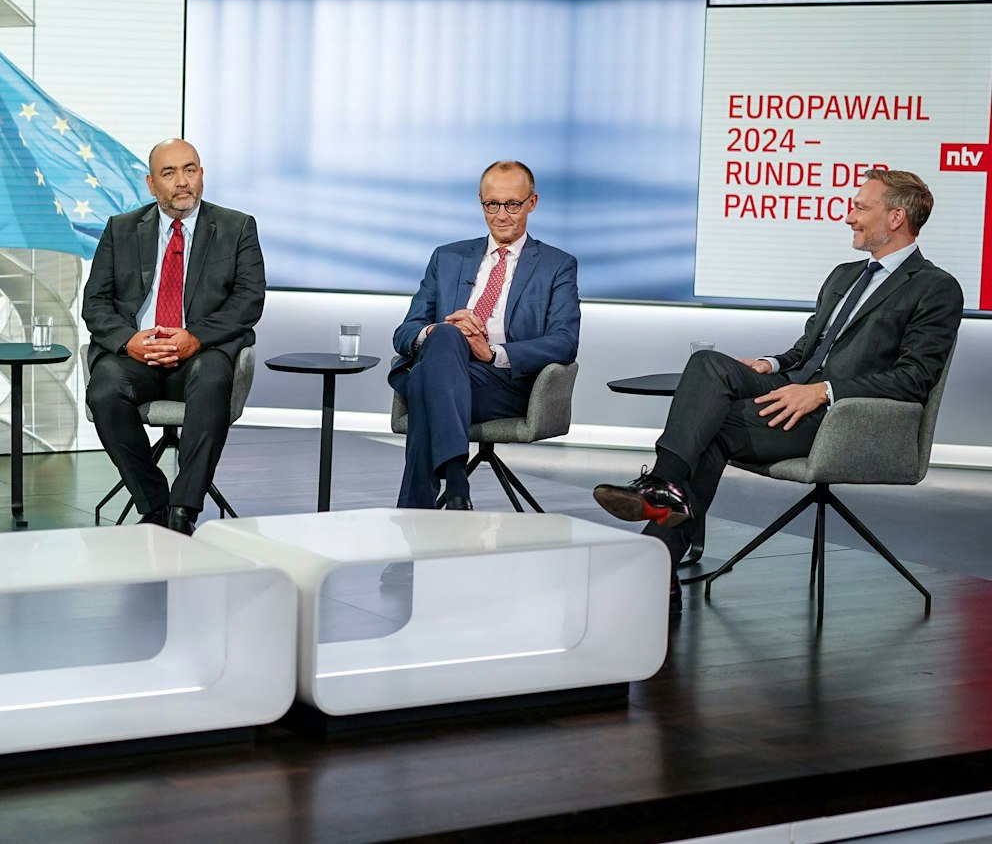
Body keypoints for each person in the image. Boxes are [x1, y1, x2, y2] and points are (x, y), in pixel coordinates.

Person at [593, 168, 961, 611]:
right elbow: (809, 347)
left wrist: (824, 391)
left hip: (839, 416)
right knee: (708, 364)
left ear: (897, 217)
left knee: (713, 429)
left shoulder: (934, 288)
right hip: (794, 385)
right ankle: (664, 491)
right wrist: (771, 364)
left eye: (861, 207)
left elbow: (914, 379)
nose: (849, 217)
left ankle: (657, 555)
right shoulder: (845, 275)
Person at [82, 138, 265, 535]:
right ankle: (154, 503)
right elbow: (95, 302)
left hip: (201, 353)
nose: (183, 182)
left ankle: (183, 511)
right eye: (169, 173)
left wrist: (195, 336)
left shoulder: (237, 227)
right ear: (151, 184)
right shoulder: (122, 228)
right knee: (104, 390)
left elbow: (248, 302)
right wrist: (128, 340)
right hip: (137, 354)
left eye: (190, 170)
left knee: (214, 377)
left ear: (201, 174)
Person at [390, 160, 579, 511]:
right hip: (451, 372)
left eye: (513, 204)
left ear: (532, 203)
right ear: (480, 201)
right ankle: (456, 489)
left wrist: (492, 352)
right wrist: (439, 330)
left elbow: (565, 341)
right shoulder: (447, 258)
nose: (502, 215)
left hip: (506, 383)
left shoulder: (557, 265)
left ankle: (423, 503)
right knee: (445, 338)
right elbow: (405, 332)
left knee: (423, 385)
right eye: (492, 204)